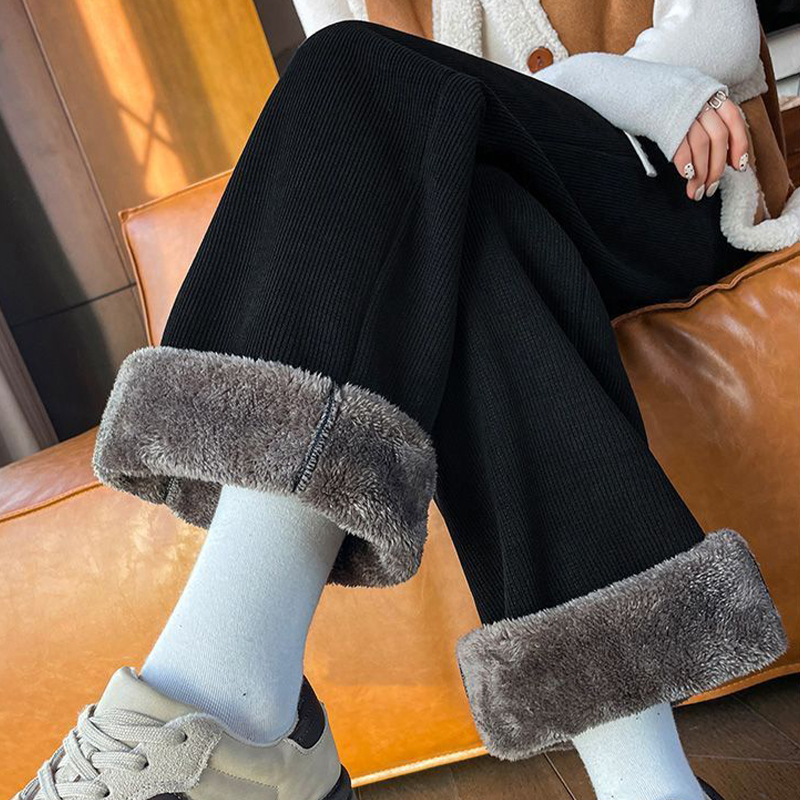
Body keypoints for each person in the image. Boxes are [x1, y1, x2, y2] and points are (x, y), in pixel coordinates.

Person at [16, 2, 792, 800]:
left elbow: (721, 33)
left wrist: (592, 82)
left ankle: (228, 704)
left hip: (668, 179)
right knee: (469, 228)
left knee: (356, 67)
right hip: (501, 203)